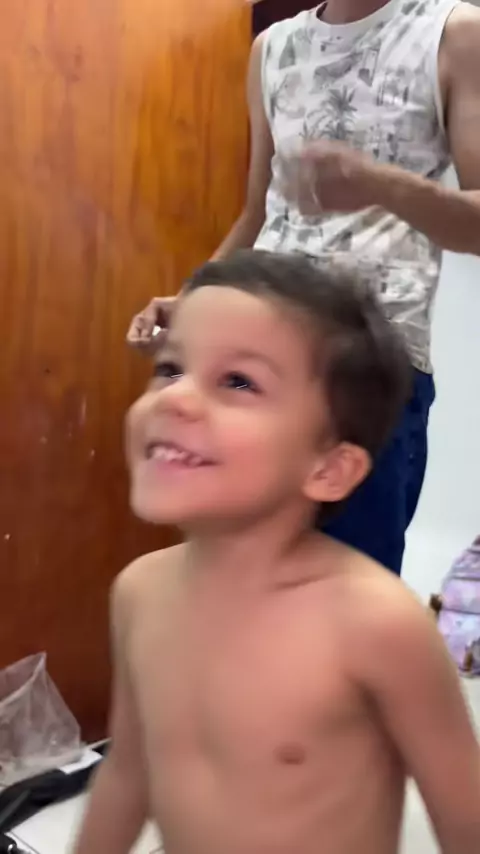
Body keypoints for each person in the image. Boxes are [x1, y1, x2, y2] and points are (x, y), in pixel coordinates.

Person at [76, 251, 480, 854]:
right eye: (170, 368)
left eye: (239, 381)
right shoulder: (139, 591)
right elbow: (129, 772)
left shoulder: (376, 625)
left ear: (329, 469)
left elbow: (468, 824)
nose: (176, 398)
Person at [127, 0, 480, 576]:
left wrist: (381, 186)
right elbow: (258, 213)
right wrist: (192, 302)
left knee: (348, 591)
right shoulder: (271, 48)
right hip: (255, 367)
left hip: (366, 370)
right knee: (234, 579)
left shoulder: (454, 33)